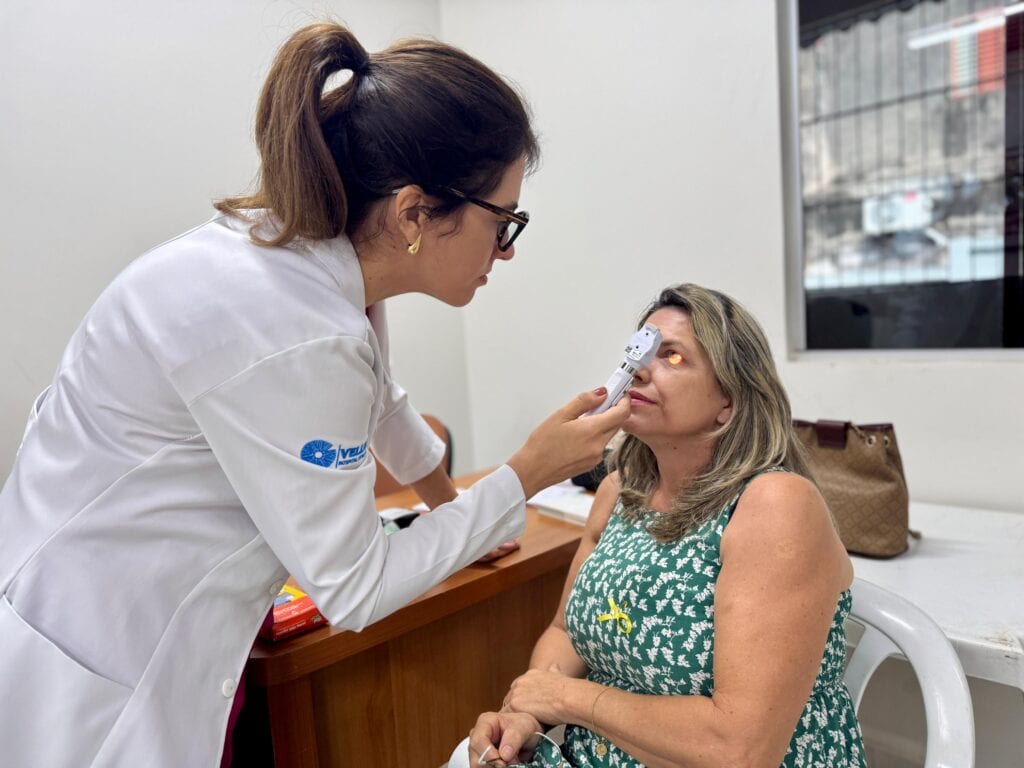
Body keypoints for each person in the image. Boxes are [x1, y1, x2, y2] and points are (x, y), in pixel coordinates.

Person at [0, 23, 629, 768]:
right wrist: (524, 475)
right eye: (502, 222)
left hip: (122, 611)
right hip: (96, 657)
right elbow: (354, 589)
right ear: (414, 213)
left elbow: (381, 399)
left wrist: (454, 504)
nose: (508, 250)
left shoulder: (313, 259)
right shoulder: (294, 327)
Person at [457, 284, 866, 768]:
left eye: (672, 357)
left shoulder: (775, 506)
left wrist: (565, 699)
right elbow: (566, 632)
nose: (639, 368)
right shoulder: (619, 492)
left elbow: (739, 749)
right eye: (640, 350)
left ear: (729, 400)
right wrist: (526, 715)